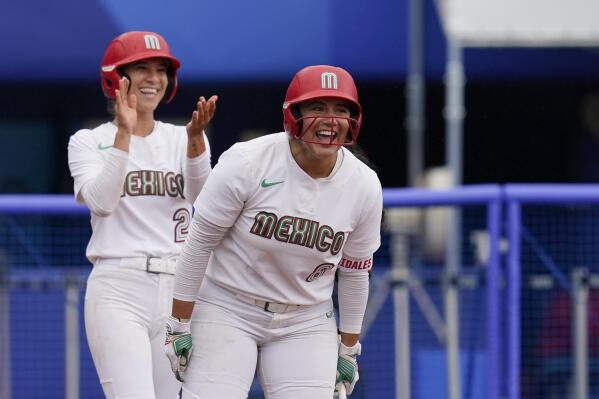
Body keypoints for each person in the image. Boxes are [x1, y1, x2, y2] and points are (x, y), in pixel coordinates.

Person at [164, 65, 383, 398]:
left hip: (304, 319)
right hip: (228, 304)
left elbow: (354, 273)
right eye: (317, 108)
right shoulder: (248, 161)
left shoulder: (364, 184)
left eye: (342, 110)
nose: (331, 119)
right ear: (292, 115)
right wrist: (178, 323)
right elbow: (198, 244)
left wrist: (349, 347)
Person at [67, 31, 217, 398]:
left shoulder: (184, 136)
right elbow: (102, 201)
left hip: (180, 288)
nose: (154, 78)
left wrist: (196, 142)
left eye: (161, 69)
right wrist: (124, 134)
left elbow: (206, 200)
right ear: (115, 78)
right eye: (142, 68)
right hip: (120, 284)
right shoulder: (87, 140)